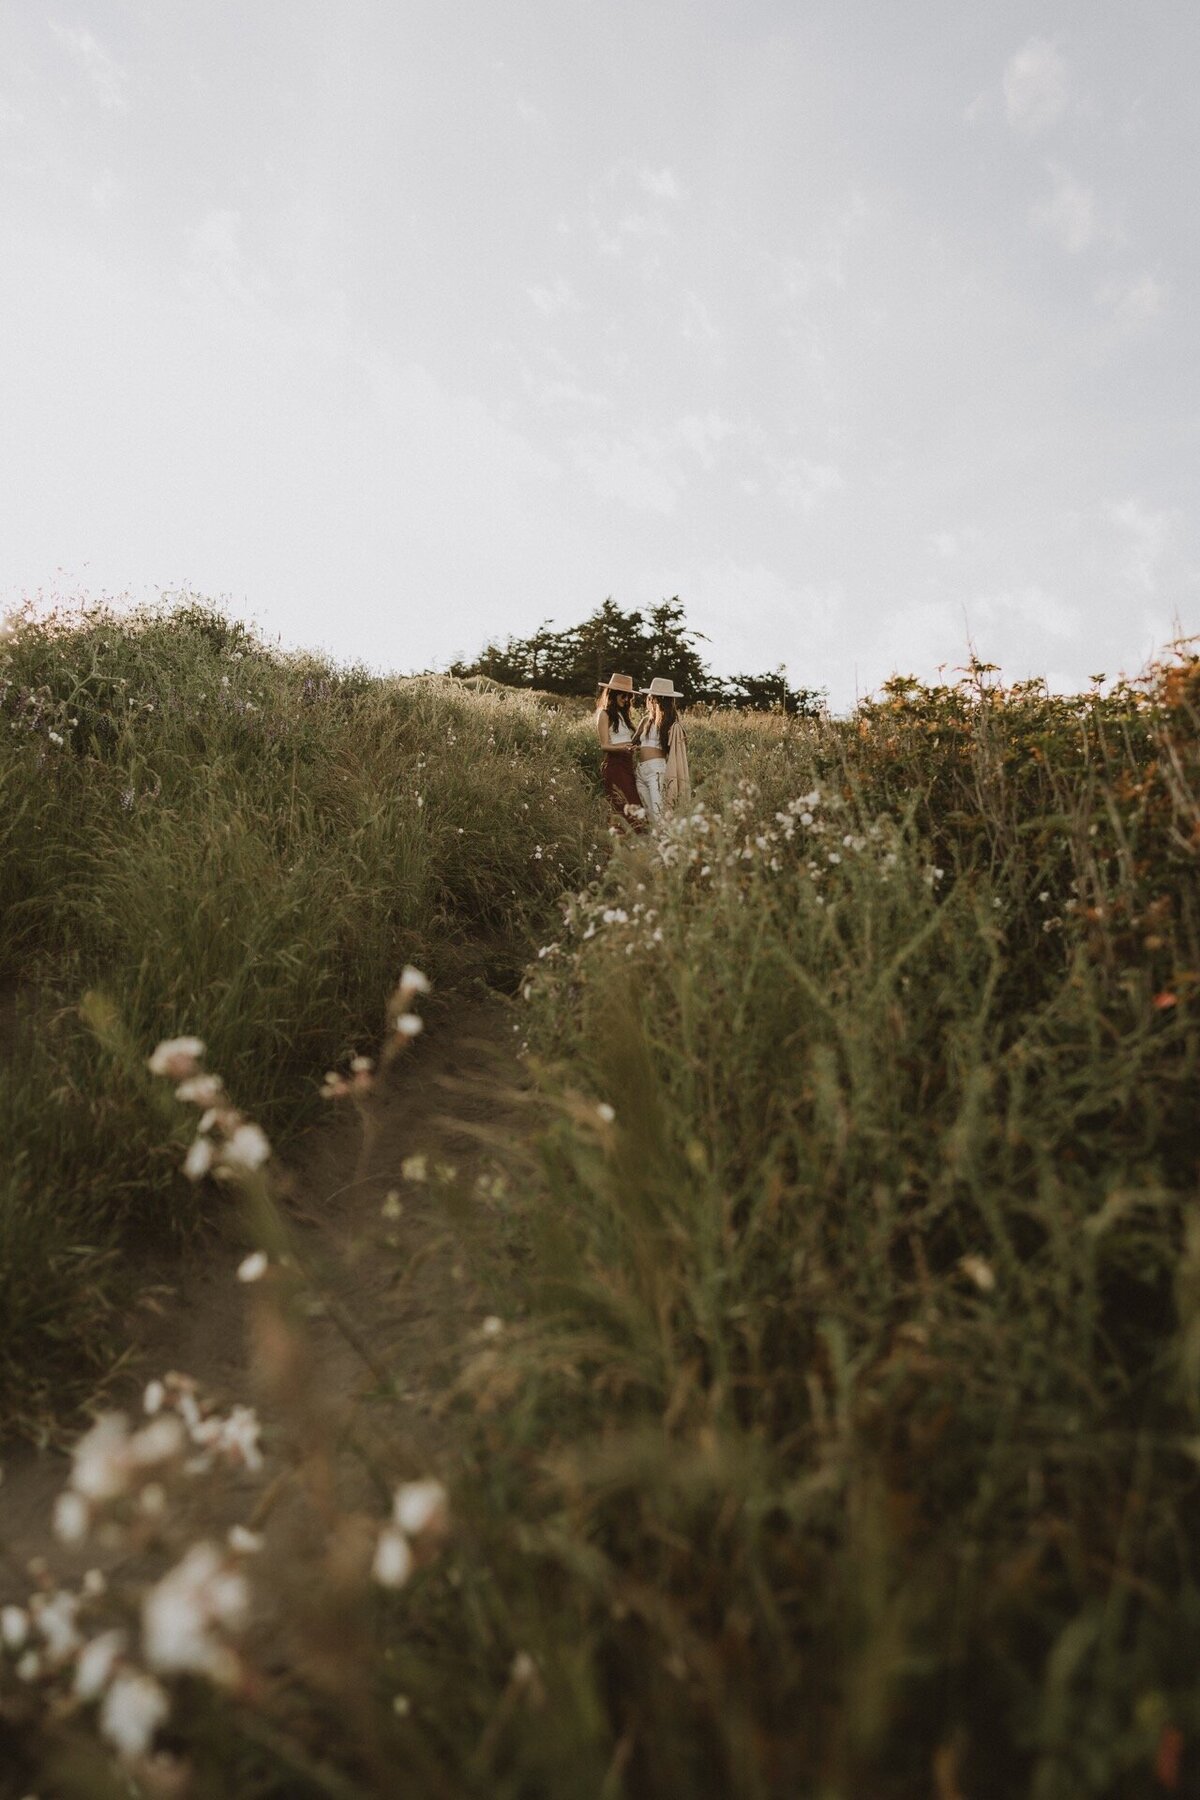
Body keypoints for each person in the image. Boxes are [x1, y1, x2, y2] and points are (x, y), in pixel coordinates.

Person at [635, 677, 691, 821]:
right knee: (649, 816)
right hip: (641, 770)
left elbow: (677, 752)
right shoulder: (646, 720)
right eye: (651, 697)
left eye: (655, 698)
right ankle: (654, 842)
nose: (652, 700)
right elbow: (634, 742)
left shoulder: (671, 724)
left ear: (664, 700)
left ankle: (665, 842)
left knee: (659, 814)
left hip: (657, 770)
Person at [595, 672, 644, 831]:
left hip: (627, 764)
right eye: (623, 696)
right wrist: (622, 748)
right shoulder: (604, 714)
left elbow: (626, 740)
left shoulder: (624, 715)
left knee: (633, 806)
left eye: (629, 697)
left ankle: (631, 847)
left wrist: (632, 747)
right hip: (615, 765)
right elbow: (604, 745)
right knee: (624, 807)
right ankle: (620, 847)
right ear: (613, 694)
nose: (626, 700)